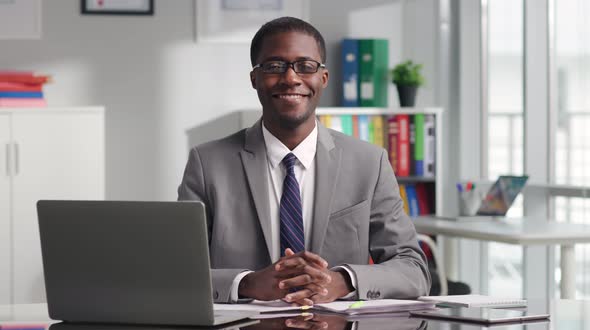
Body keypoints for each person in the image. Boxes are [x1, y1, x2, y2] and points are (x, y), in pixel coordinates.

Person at [178, 16, 430, 305]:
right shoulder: (207, 163)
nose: (290, 78)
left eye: (305, 66)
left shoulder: (368, 163)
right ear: (254, 79)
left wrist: (344, 280)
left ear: (323, 78)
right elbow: (176, 270)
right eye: (274, 66)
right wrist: (245, 283)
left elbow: (413, 268)